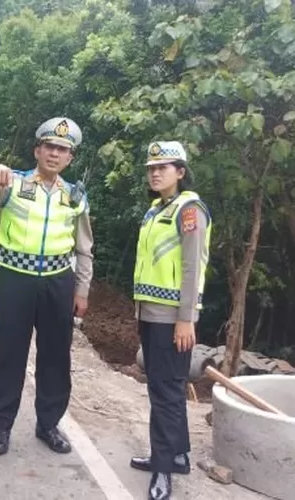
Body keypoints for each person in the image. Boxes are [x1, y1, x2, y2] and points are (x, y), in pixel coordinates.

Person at [0, 117, 94, 456]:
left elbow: (84, 248)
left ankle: (48, 424)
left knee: (55, 356)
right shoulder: (13, 182)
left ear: (70, 157)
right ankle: (0, 426)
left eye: (63, 149)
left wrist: (82, 291)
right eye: (49, 147)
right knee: (8, 352)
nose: (55, 153)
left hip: (58, 282)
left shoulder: (75, 196)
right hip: (16, 279)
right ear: (37, 150)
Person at [130, 141, 212, 500]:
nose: (156, 172)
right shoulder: (154, 210)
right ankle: (177, 454)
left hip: (171, 318)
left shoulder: (188, 209)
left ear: (180, 172)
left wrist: (186, 319)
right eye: (151, 168)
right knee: (165, 388)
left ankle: (163, 469)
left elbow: (193, 266)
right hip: (149, 312)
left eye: (164, 167)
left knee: (165, 394)